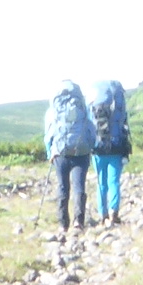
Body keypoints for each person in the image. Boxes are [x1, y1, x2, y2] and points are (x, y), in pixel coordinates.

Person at [42, 81, 94, 232]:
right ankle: (78, 221)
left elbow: (48, 135)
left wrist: (50, 153)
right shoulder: (83, 108)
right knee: (79, 186)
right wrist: (90, 147)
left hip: (60, 153)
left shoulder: (53, 111)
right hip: (81, 153)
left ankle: (63, 224)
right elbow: (91, 130)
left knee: (63, 187)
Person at [89, 78, 131, 224]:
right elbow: (124, 123)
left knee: (101, 183)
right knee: (114, 182)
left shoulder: (93, 102)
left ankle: (103, 214)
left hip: (98, 148)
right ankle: (114, 212)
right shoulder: (119, 103)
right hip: (116, 147)